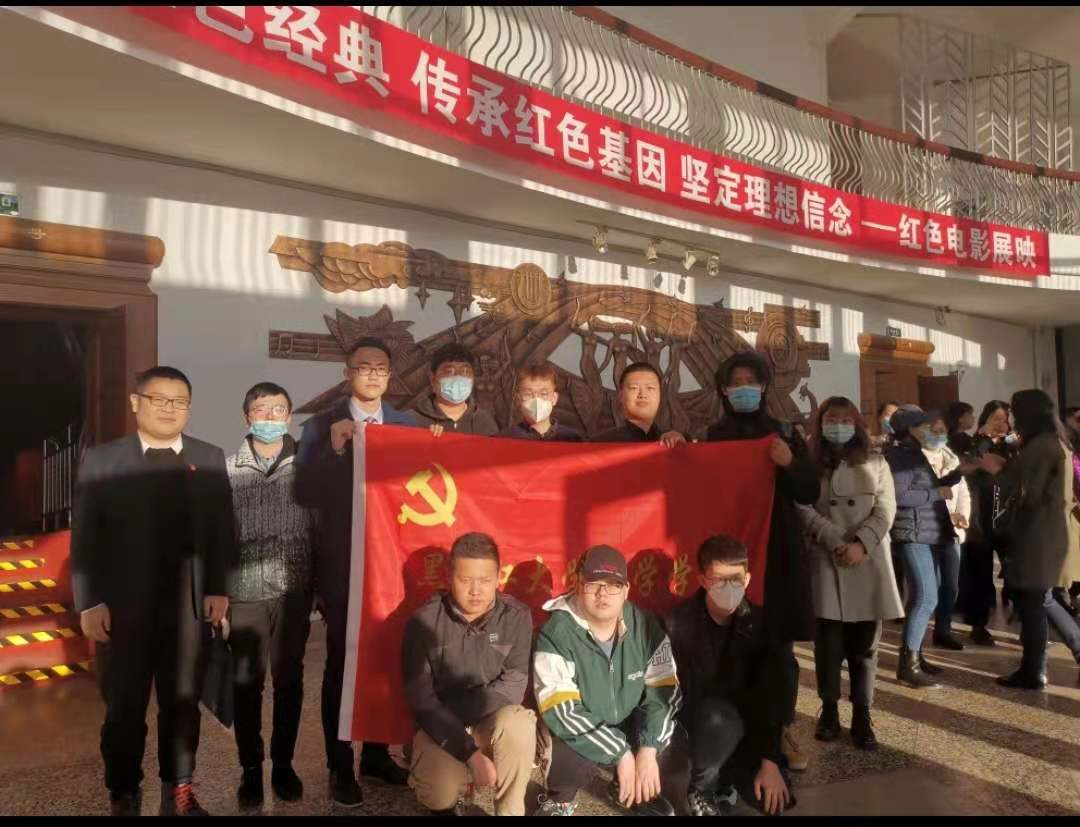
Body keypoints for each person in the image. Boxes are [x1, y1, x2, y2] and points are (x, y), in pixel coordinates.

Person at [71, 366, 236, 817]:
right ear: (135, 403)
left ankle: (178, 791)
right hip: (122, 608)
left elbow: (223, 529)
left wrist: (219, 588)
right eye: (159, 399)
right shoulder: (103, 460)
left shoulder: (208, 457)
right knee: (123, 709)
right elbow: (85, 537)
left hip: (188, 607)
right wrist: (89, 601)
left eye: (179, 402)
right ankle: (123, 792)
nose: (169, 409)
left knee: (182, 706)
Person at [296, 337, 417, 806]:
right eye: (363, 367)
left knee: (387, 658)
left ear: (390, 375)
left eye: (380, 368)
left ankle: (376, 754)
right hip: (344, 566)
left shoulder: (407, 426)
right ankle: (340, 763)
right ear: (347, 373)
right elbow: (304, 493)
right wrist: (333, 450)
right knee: (344, 664)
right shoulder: (320, 426)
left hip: (393, 565)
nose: (372, 374)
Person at [705, 352, 819, 774]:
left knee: (779, 650)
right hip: (729, 557)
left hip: (778, 556)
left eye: (751, 381)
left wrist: (789, 464)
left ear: (765, 387)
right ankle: (737, 731)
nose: (744, 388)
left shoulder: (784, 433)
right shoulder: (714, 437)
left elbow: (809, 491)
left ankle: (780, 728)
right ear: (723, 390)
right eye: (735, 382)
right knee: (732, 646)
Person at [532, 545, 679, 817]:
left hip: (629, 719)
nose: (603, 593)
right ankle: (560, 800)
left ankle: (634, 791)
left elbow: (665, 690)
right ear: (578, 585)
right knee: (567, 756)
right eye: (593, 583)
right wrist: (621, 753)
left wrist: (648, 749)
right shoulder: (555, 633)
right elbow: (561, 710)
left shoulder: (646, 626)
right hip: (580, 724)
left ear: (626, 590)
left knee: (668, 741)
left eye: (613, 585)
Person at [225, 382, 315, 808]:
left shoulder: (308, 469)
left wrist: (318, 587)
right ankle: (250, 769)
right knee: (247, 683)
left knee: (289, 680)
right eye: (261, 410)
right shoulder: (228, 471)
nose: (269, 417)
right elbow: (217, 534)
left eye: (278, 409)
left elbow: (321, 527)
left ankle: (283, 765)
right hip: (244, 593)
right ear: (248, 417)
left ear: (289, 415)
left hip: (294, 591)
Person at [402, 533, 537, 816]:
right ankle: (452, 794)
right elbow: (423, 702)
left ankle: (510, 810)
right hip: (440, 727)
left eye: (485, 580)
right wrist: (470, 752)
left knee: (519, 722)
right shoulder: (423, 622)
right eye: (465, 580)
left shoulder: (516, 617)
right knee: (439, 794)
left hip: (489, 722)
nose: (476, 591)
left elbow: (514, 683)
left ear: (498, 577)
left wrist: (471, 724)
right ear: (449, 577)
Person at [799, 397, 901, 751]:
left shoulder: (876, 461)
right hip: (827, 559)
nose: (838, 425)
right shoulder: (808, 462)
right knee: (828, 648)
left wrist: (861, 543)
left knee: (865, 650)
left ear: (856, 424)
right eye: (831, 419)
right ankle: (829, 711)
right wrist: (833, 538)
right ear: (820, 423)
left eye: (845, 420)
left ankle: (862, 714)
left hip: (867, 560)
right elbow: (801, 506)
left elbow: (886, 508)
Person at [668, 535, 794, 816]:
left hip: (747, 730)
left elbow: (772, 697)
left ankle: (729, 779)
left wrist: (770, 760)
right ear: (702, 580)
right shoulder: (678, 623)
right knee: (717, 717)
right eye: (719, 580)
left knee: (774, 801)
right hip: (699, 731)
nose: (728, 588)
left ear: (747, 579)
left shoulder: (762, 625)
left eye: (735, 580)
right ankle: (702, 786)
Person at [981, 390, 1080, 688]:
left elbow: (1030, 492)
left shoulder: (1040, 445)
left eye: (1014, 411)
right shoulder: (1056, 440)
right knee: (1042, 599)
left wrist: (998, 470)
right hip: (1051, 531)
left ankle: (1033, 670)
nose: (1011, 418)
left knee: (1033, 603)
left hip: (1039, 534)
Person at [885, 405, 965, 689]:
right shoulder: (900, 455)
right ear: (910, 429)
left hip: (927, 532)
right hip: (913, 532)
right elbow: (899, 496)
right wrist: (936, 492)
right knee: (926, 597)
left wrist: (954, 477)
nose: (930, 430)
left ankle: (916, 655)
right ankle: (908, 665)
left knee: (924, 595)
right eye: (924, 426)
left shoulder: (913, 452)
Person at [958, 401, 1017, 645]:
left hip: (1008, 518)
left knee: (1016, 572)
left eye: (1005, 419)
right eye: (996, 418)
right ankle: (978, 625)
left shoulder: (1012, 445)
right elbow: (968, 466)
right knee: (980, 574)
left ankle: (1027, 623)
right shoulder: (974, 443)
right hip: (979, 518)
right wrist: (984, 439)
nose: (1001, 424)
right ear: (985, 420)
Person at [921, 411, 971, 651]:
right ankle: (917, 638)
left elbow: (963, 492)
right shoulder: (916, 460)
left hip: (951, 531)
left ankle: (944, 629)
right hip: (927, 528)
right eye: (934, 431)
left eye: (942, 431)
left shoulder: (951, 458)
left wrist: (962, 515)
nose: (939, 435)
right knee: (929, 588)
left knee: (951, 585)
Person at [413, 342, 499, 436]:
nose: (458, 376)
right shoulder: (412, 420)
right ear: (433, 379)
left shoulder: (485, 422)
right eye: (449, 371)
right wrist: (425, 438)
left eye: (465, 371)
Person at [593, 362, 686, 446]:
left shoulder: (675, 441)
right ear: (620, 396)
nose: (642, 395)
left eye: (650, 388)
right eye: (634, 388)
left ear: (660, 395)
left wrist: (679, 445)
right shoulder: (601, 443)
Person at [500, 363, 584, 442]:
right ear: (518, 399)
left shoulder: (571, 439)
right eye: (528, 394)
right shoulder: (505, 439)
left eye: (543, 394)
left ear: (554, 398)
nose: (536, 399)